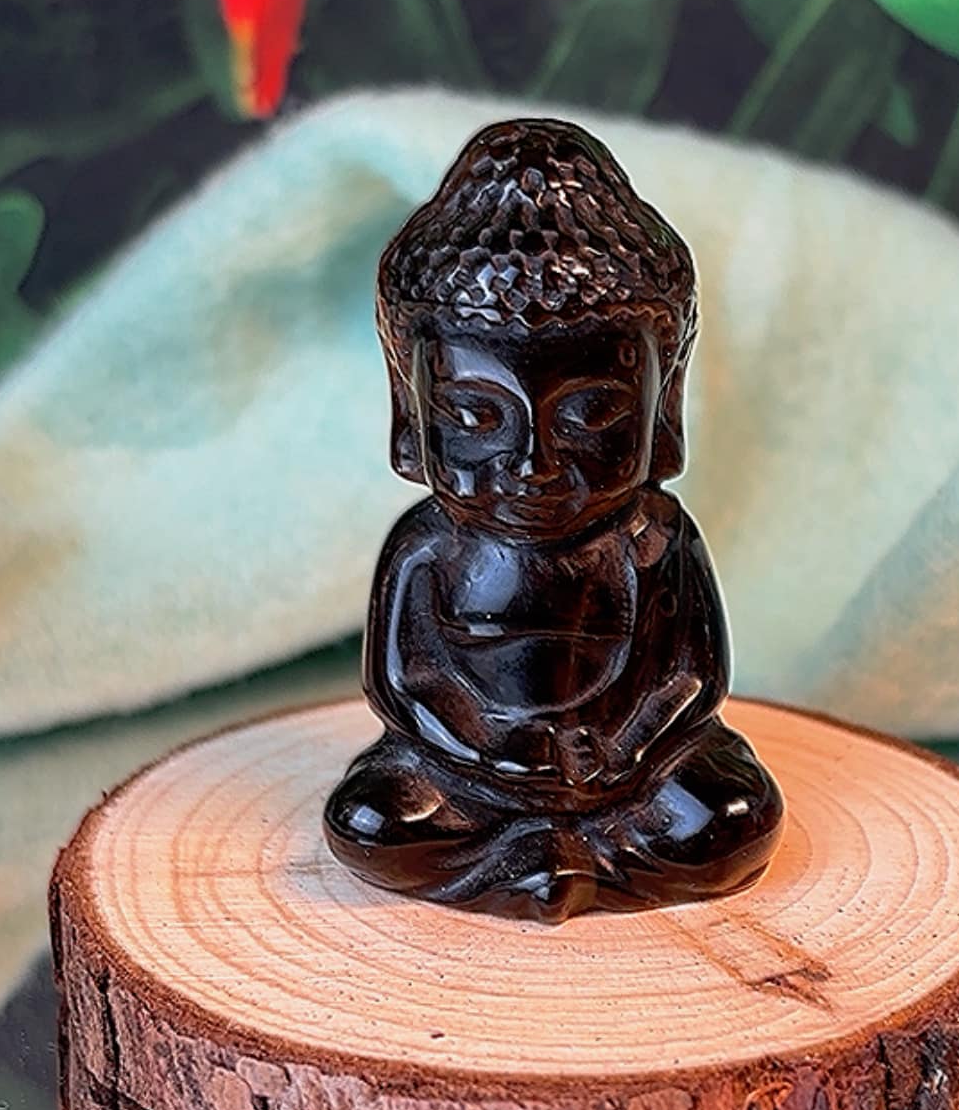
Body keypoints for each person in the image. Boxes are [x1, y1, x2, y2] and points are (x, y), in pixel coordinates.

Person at [323, 116, 782, 920]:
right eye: (476, 416)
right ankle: (554, 857)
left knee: (729, 817)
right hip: (467, 772)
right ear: (411, 407)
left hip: (630, 771)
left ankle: (541, 860)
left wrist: (625, 748)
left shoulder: (655, 541)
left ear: (662, 404)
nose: (533, 464)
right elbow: (404, 683)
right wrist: (487, 752)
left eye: (591, 413)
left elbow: (693, 679)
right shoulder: (429, 548)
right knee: (373, 821)